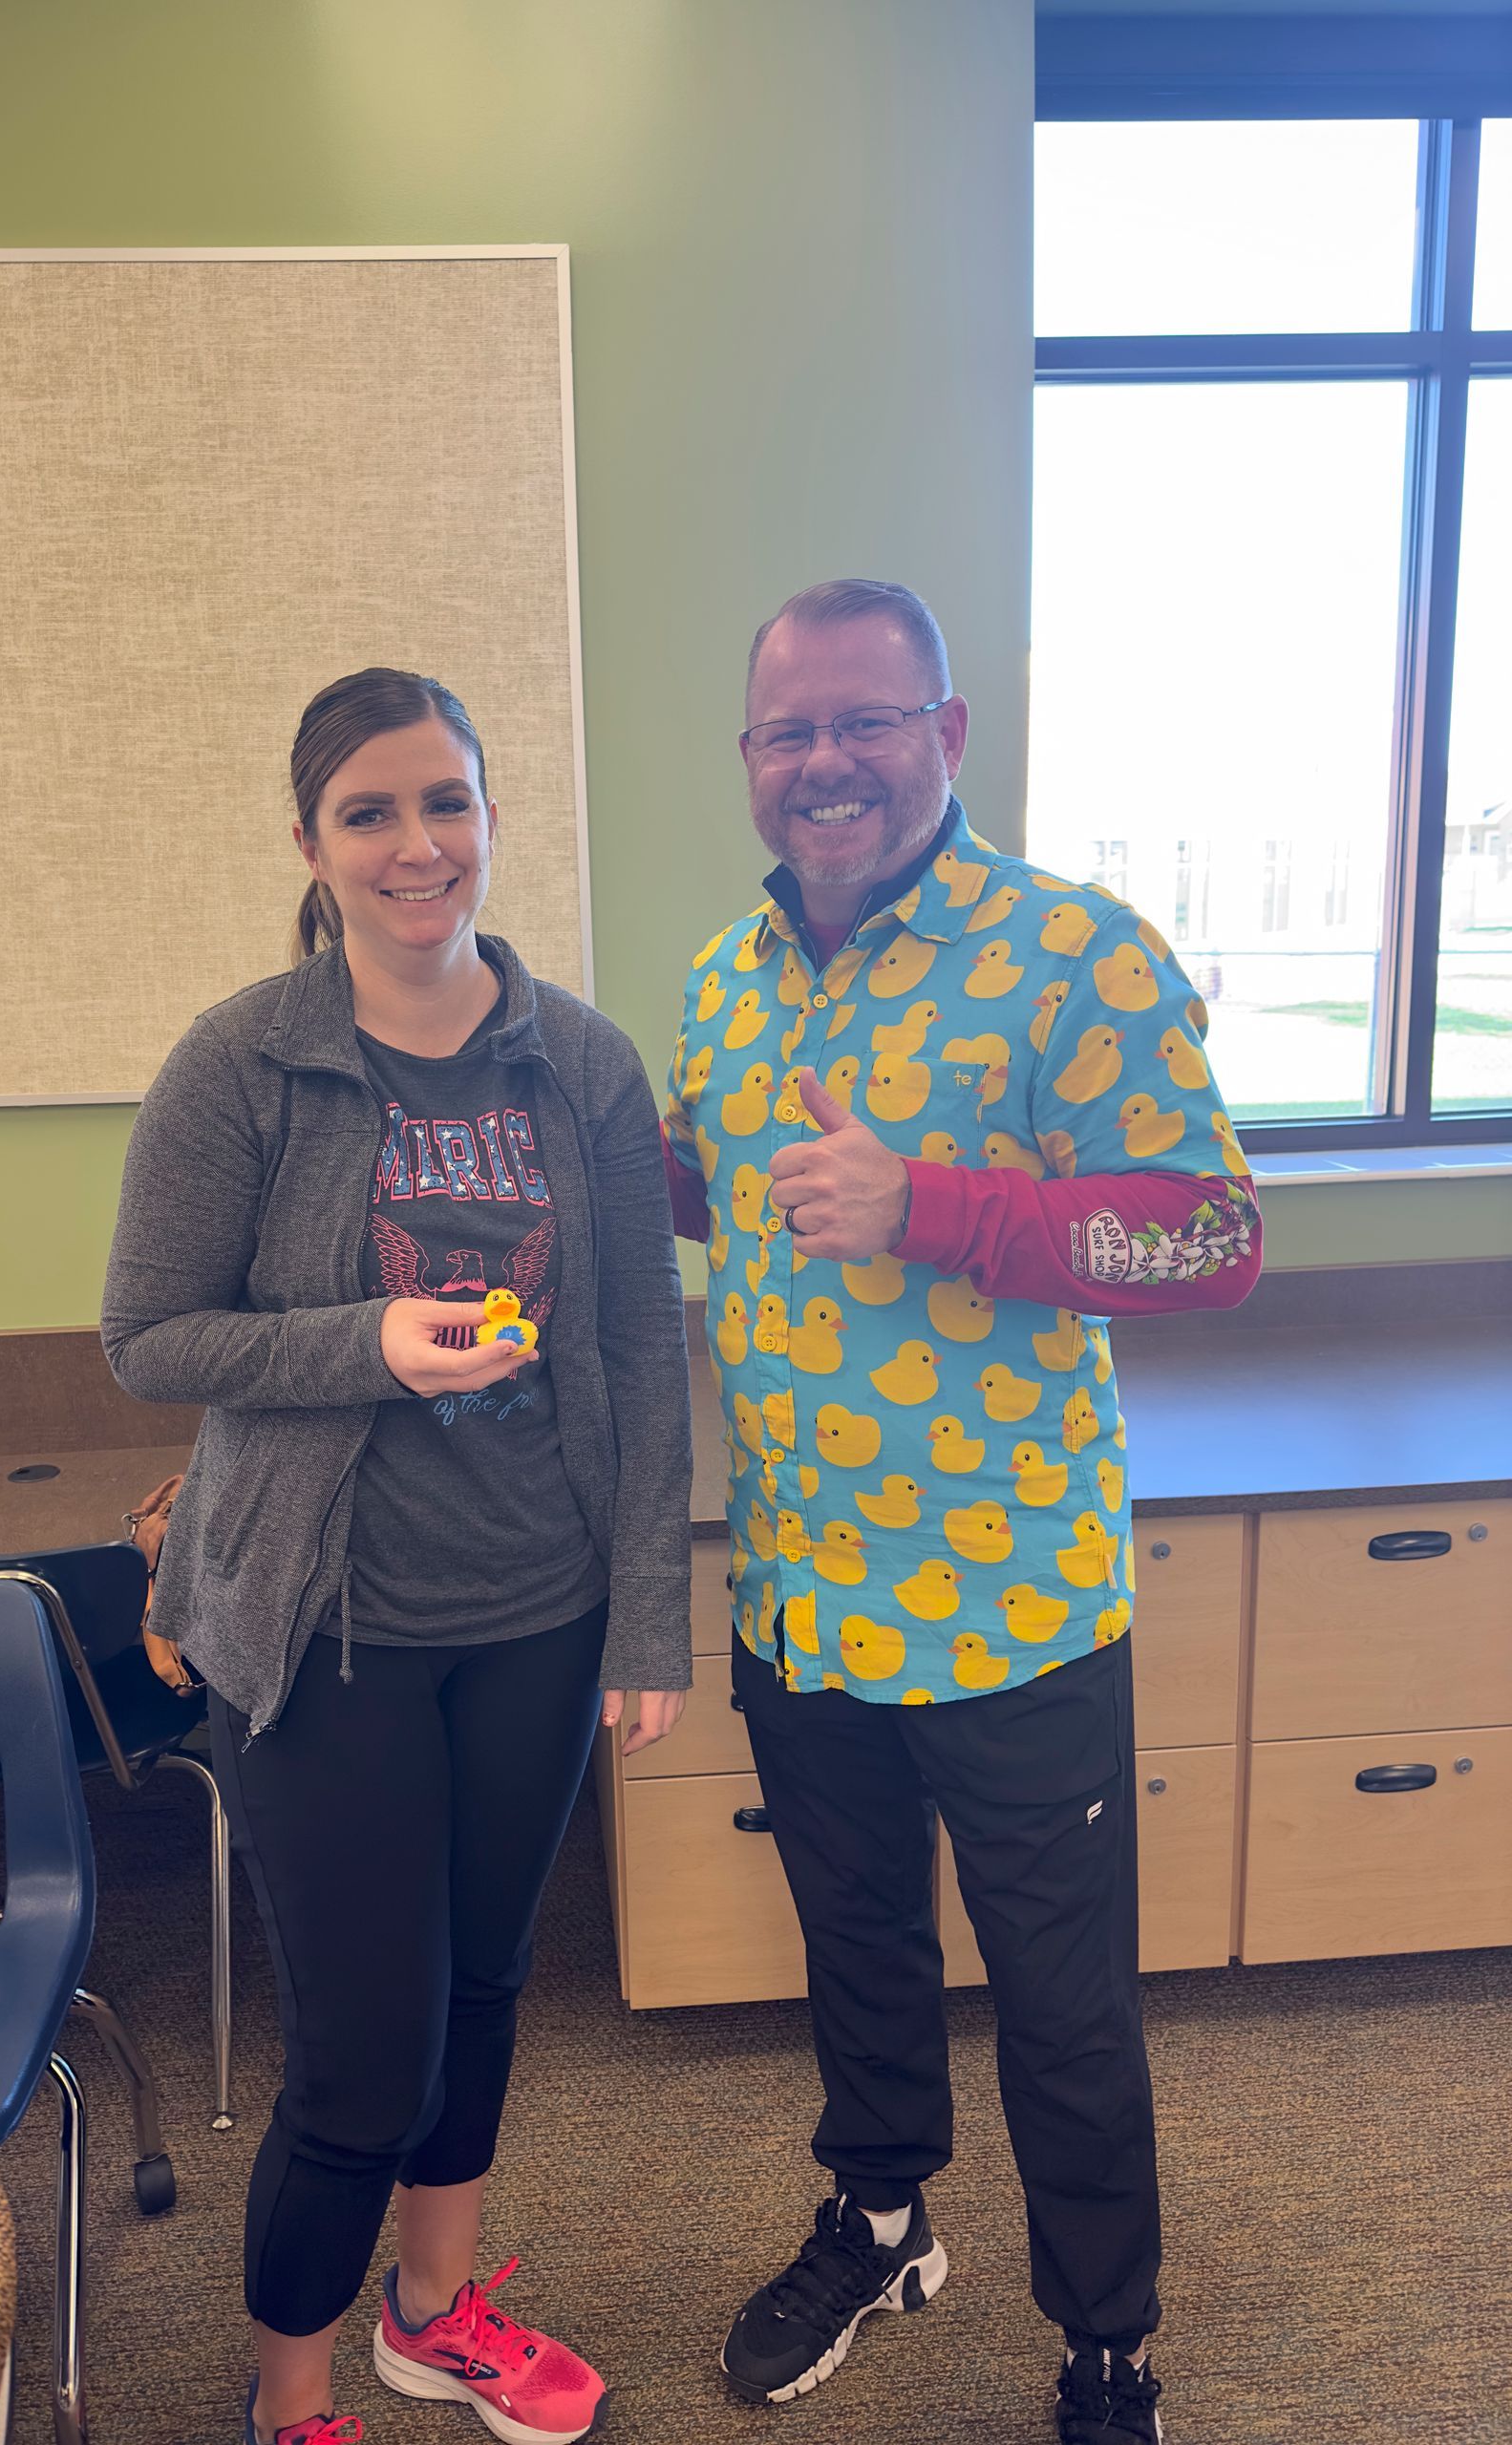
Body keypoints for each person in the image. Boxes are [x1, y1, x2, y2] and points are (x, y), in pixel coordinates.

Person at [662, 581, 1262, 2443]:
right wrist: (609, 1173)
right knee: (858, 1952)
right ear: (750, 760)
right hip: (804, 1602)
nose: (825, 760)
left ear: (948, 732)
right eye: (788, 731)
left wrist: (935, 1204)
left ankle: (1106, 2346)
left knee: (1067, 2012)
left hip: (1012, 1609)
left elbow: (1208, 1235)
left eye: (864, 718)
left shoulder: (1078, 954)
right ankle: (883, 2213)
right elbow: (740, 1200)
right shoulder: (721, 978)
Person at [104, 667, 692, 2445]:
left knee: (487, 1990)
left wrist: (645, 1617)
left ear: (491, 822)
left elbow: (641, 1358)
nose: (416, 844)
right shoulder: (245, 1061)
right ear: (311, 844)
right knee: (366, 2058)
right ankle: (290, 2395)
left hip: (538, 1610)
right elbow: (151, 1339)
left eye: (448, 802)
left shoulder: (579, 1060)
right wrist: (366, 1339)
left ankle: (432, 2313)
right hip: (321, 1624)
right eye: (371, 811)